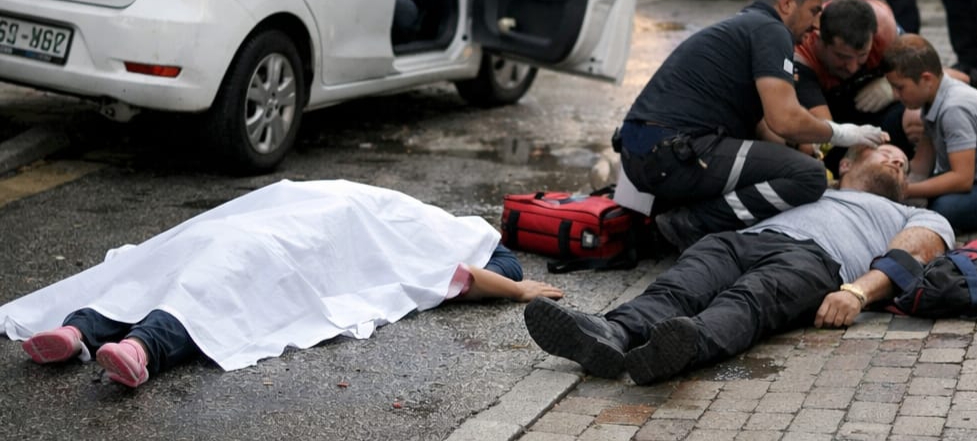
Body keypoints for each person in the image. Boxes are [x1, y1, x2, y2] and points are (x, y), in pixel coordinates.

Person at [3, 180, 562, 388]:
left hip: (270, 217)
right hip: (289, 243)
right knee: (225, 289)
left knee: (174, 264)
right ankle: (140, 347)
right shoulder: (426, 242)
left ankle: (77, 328)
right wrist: (516, 290)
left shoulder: (401, 210)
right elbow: (458, 276)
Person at [525, 144, 954, 385]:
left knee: (751, 301)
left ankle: (682, 348)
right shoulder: (808, 184)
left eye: (902, 165)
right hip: (743, 240)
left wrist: (857, 293)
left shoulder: (910, 214)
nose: (897, 162)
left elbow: (914, 252)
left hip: (819, 259)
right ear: (845, 164)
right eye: (886, 153)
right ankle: (611, 333)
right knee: (678, 288)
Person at [616, 0, 887, 249]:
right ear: (787, 2)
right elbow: (785, 120)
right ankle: (692, 224)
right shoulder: (771, 31)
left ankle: (678, 216)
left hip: (645, 152)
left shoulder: (747, 26)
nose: (816, 25)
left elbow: (765, 126)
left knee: (794, 164)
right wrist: (844, 133)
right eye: (813, 11)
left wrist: (797, 149)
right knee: (809, 177)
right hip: (671, 154)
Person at [883, 34, 977, 233]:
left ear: (926, 79)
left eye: (899, 87)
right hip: (975, 182)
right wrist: (889, 178)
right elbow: (921, 166)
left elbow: (962, 179)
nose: (895, 95)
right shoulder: (932, 98)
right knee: (917, 201)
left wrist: (906, 190)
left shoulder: (954, 108)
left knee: (940, 208)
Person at [794, 0, 911, 161]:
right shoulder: (802, 52)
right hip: (830, 111)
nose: (853, 67)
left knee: (916, 113)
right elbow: (822, 129)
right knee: (811, 145)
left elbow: (933, 76)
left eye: (862, 56)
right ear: (819, 40)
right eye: (843, 57)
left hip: (873, 108)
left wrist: (894, 88)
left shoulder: (886, 30)